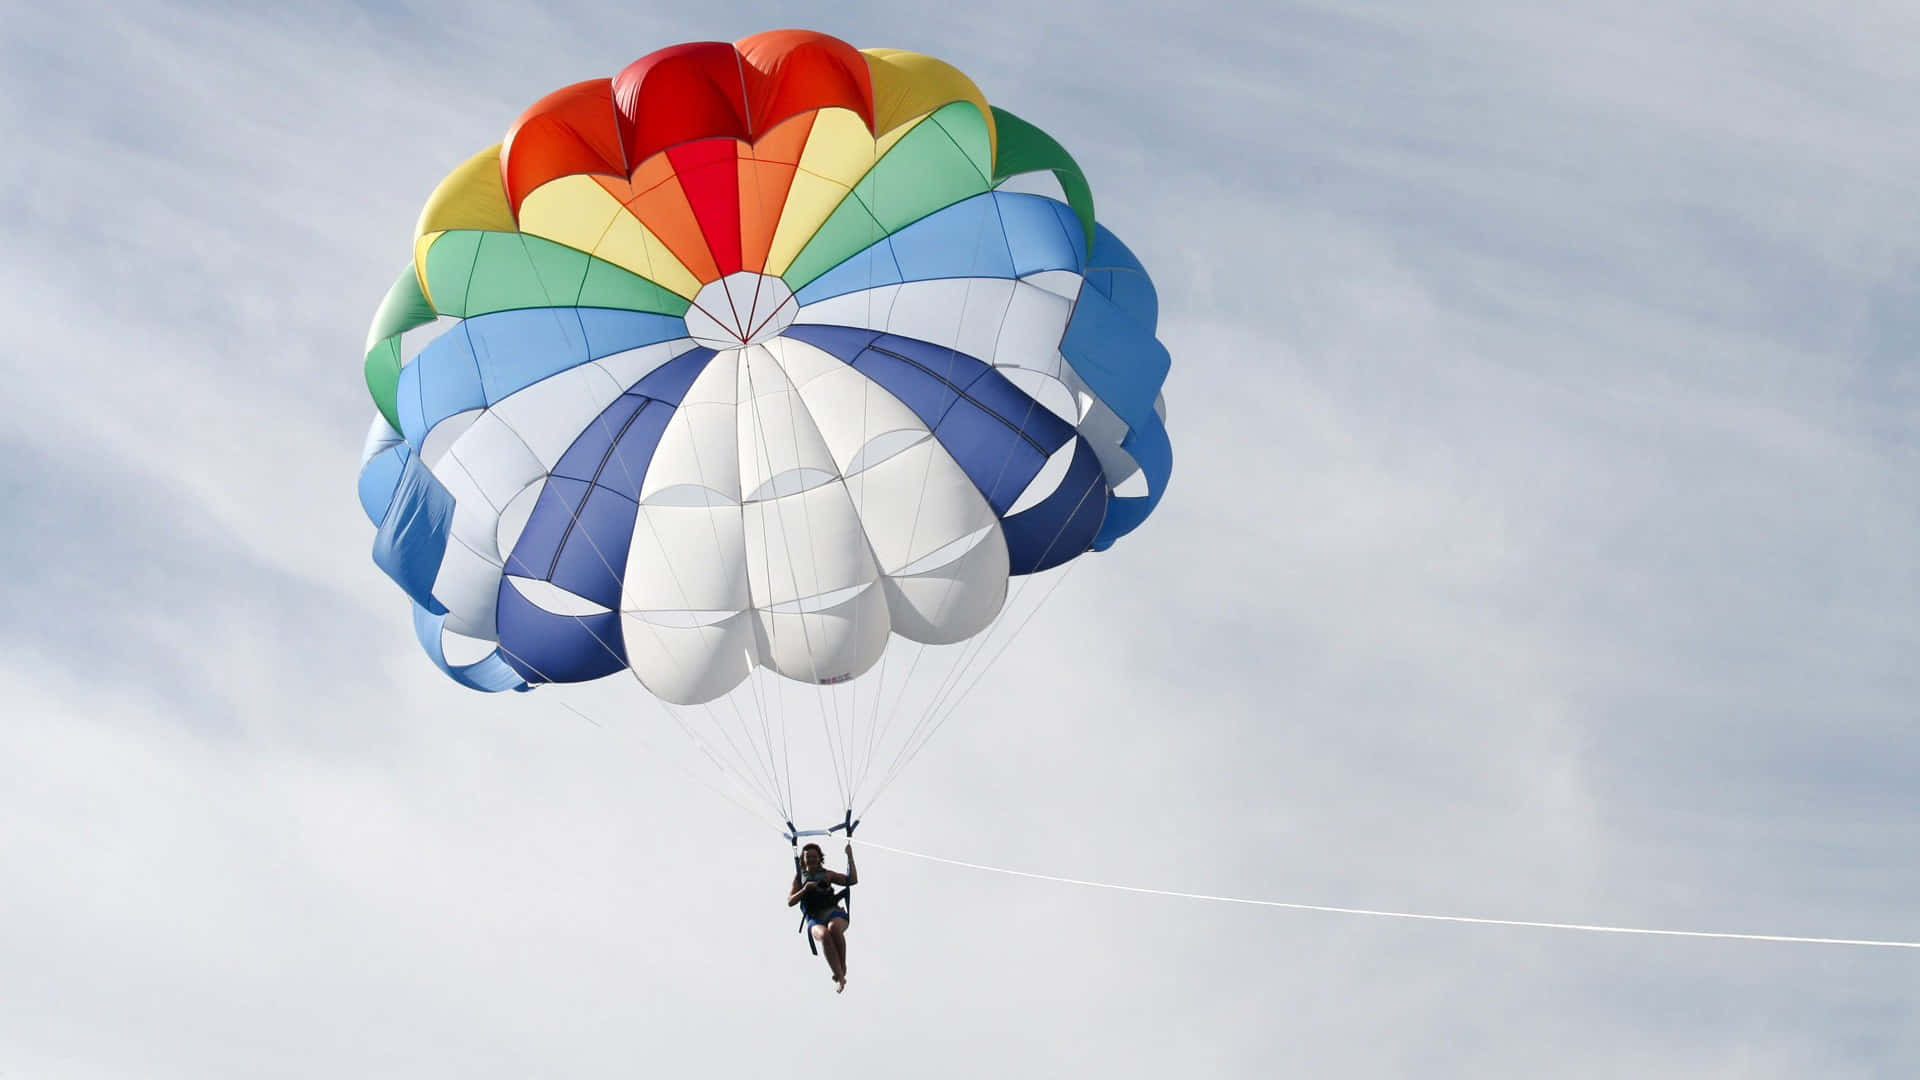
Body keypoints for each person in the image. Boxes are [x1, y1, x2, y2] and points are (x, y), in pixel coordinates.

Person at [788, 841, 857, 992]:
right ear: (803, 860)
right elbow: (790, 901)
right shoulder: (799, 878)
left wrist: (850, 856)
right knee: (825, 935)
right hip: (814, 918)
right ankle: (839, 976)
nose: (811, 859)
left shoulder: (827, 875)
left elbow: (852, 880)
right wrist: (805, 889)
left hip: (833, 912)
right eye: (808, 857)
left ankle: (841, 968)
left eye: (814, 856)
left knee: (833, 928)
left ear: (820, 858)